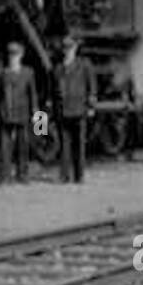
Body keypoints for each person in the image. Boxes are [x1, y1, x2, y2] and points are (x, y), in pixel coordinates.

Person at [0, 40, 37, 183]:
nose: (13, 57)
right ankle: (4, 176)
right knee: (5, 148)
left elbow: (33, 94)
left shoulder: (28, 73)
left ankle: (22, 175)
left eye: (15, 54)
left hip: (22, 113)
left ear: (21, 55)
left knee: (23, 146)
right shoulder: (1, 73)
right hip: (6, 113)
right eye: (11, 54)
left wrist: (36, 113)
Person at [52, 35, 96, 183]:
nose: (67, 51)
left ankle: (80, 175)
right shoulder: (57, 68)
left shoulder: (84, 65)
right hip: (62, 110)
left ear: (75, 49)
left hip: (79, 109)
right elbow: (52, 91)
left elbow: (91, 86)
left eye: (70, 48)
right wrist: (44, 119)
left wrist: (91, 106)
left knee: (79, 145)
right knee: (64, 145)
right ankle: (64, 176)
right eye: (65, 49)